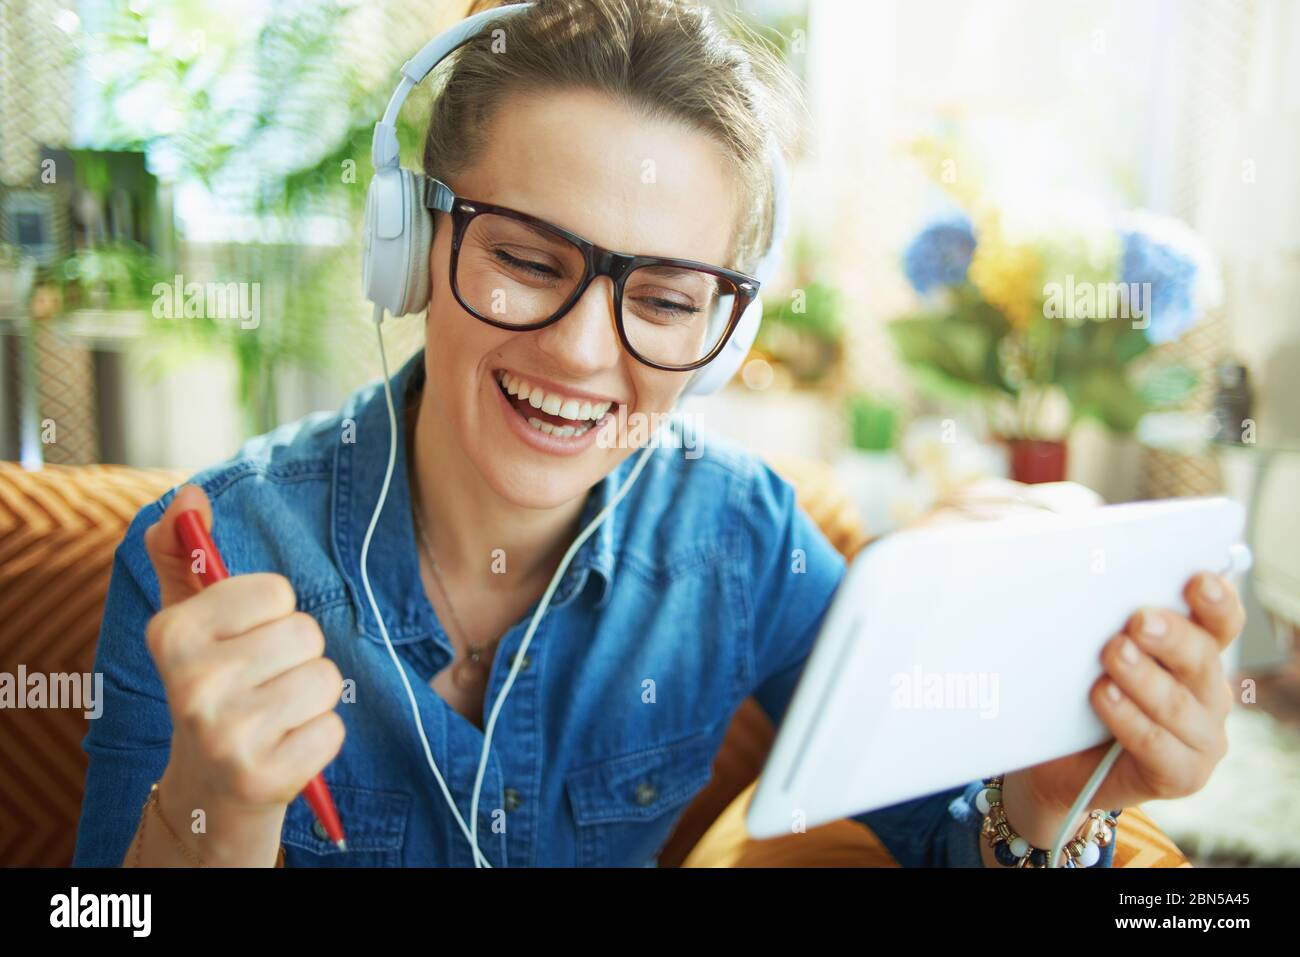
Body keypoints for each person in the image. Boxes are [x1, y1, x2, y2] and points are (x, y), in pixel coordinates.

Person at [73, 0, 1245, 868]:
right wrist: (207, 817)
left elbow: (943, 842)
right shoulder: (202, 554)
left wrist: (1040, 802)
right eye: (528, 261)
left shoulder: (743, 540)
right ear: (415, 250)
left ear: (725, 337)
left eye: (669, 300)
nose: (585, 352)